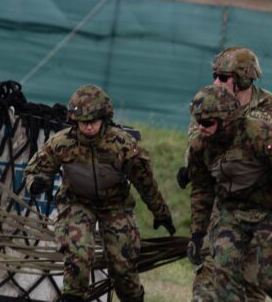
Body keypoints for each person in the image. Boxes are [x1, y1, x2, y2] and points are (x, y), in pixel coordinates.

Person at [177, 46, 272, 301]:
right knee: (211, 274)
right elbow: (197, 148)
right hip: (225, 204)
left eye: (222, 77)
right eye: (215, 75)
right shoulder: (207, 105)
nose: (216, 82)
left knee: (255, 281)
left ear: (243, 79)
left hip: (265, 208)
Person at [25, 84, 175, 302]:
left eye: (93, 121)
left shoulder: (122, 145)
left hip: (116, 205)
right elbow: (35, 170)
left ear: (104, 118)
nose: (88, 127)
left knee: (123, 263)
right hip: (76, 202)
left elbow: (145, 182)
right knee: (78, 253)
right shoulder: (61, 143)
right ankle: (72, 297)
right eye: (83, 122)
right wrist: (35, 183)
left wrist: (161, 212)